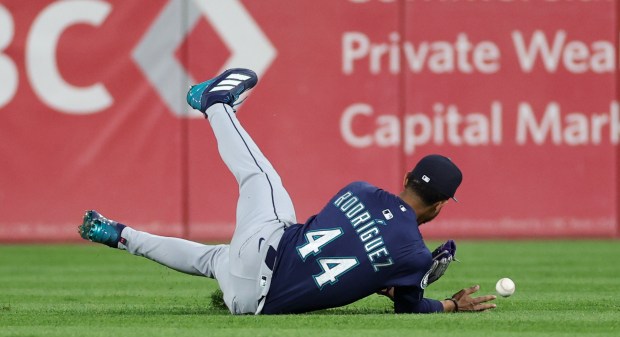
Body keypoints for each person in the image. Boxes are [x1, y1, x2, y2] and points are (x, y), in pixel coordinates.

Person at [78, 68, 496, 315]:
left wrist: (385, 274)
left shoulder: (360, 190)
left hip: (265, 249)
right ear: (441, 206)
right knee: (212, 260)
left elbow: (351, 238)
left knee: (260, 178)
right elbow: (409, 306)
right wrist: (448, 303)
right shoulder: (413, 258)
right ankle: (118, 234)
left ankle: (218, 105)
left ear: (406, 178)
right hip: (249, 302)